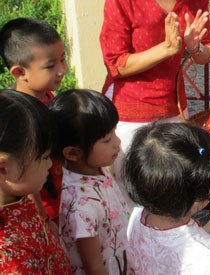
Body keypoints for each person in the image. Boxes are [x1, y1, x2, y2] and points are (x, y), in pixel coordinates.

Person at [123, 122, 210, 274]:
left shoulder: (137, 217)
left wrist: (203, 233)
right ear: (199, 198)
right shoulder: (208, 258)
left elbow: (167, 244)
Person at [99, 0, 210, 181]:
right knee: (134, 192)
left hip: (173, 105)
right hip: (131, 110)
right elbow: (115, 64)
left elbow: (206, 53)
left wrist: (196, 48)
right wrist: (167, 49)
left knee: (175, 183)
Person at [49, 89, 133, 274]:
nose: (117, 142)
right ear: (73, 153)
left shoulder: (95, 169)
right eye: (106, 140)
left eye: (114, 133)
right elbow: (93, 265)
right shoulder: (81, 206)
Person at [0, 17, 67, 228]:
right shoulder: (18, 117)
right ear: (20, 73)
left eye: (62, 59)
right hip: (42, 212)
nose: (61, 70)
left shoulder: (51, 97)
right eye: (50, 66)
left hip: (64, 199)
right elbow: (25, 176)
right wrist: (43, 219)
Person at [0, 89, 71, 273]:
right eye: (44, 157)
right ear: (3, 168)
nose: (49, 164)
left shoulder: (17, 199)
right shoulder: (9, 257)